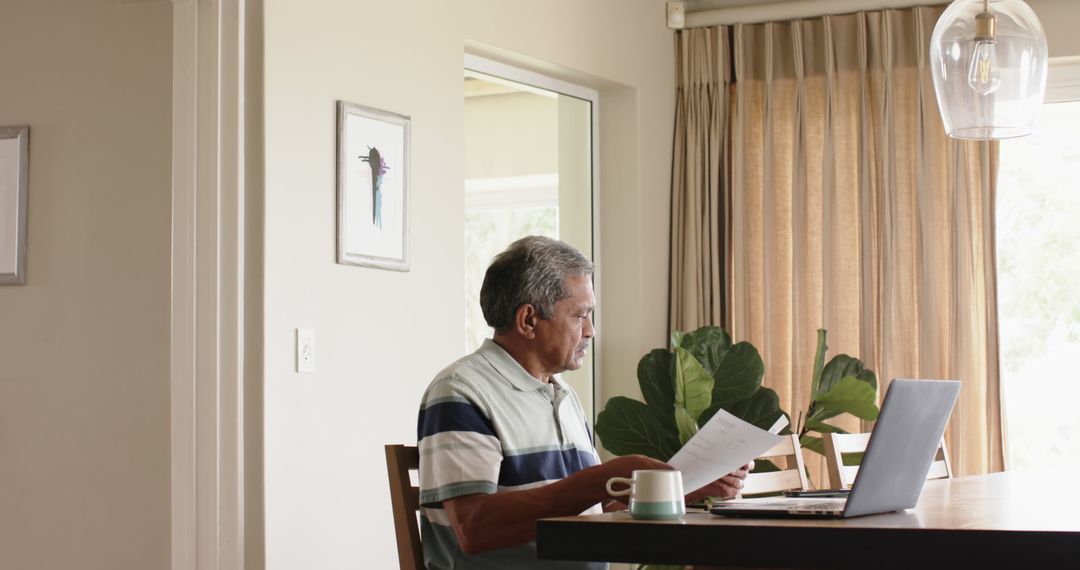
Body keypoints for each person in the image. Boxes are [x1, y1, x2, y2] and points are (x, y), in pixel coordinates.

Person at [416, 236, 751, 569]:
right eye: (580, 316)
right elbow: (474, 528)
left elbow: (594, 511)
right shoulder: (461, 391)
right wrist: (600, 479)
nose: (591, 330)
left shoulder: (563, 395)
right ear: (528, 320)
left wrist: (683, 489)